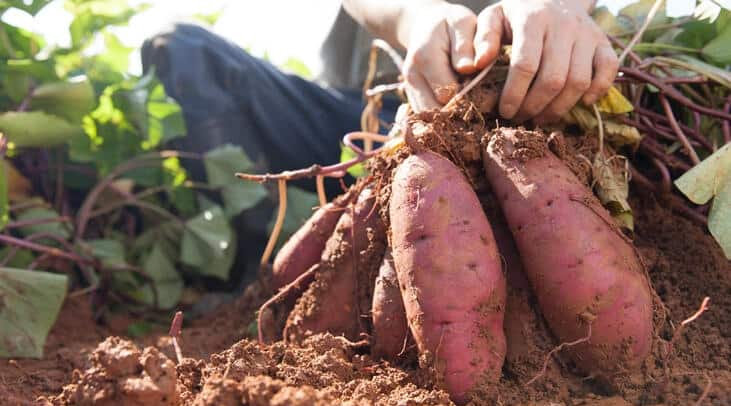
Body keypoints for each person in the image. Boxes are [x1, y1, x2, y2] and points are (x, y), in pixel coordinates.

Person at [143, 0, 618, 184]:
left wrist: (557, 10)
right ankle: (255, 275)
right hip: (369, 123)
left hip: (530, 120)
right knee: (182, 49)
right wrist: (414, 20)